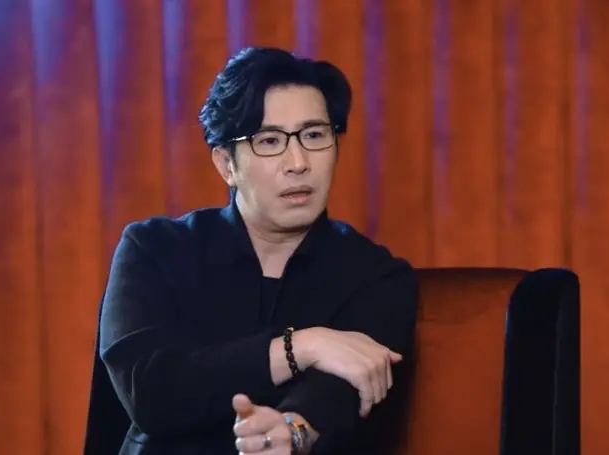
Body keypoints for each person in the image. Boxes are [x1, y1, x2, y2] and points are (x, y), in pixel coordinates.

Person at [97, 47, 418, 455]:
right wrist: (302, 346)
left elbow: (341, 392)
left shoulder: (376, 275)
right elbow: (151, 391)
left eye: (314, 135)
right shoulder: (154, 250)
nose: (298, 162)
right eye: (269, 141)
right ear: (225, 164)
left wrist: (292, 431)